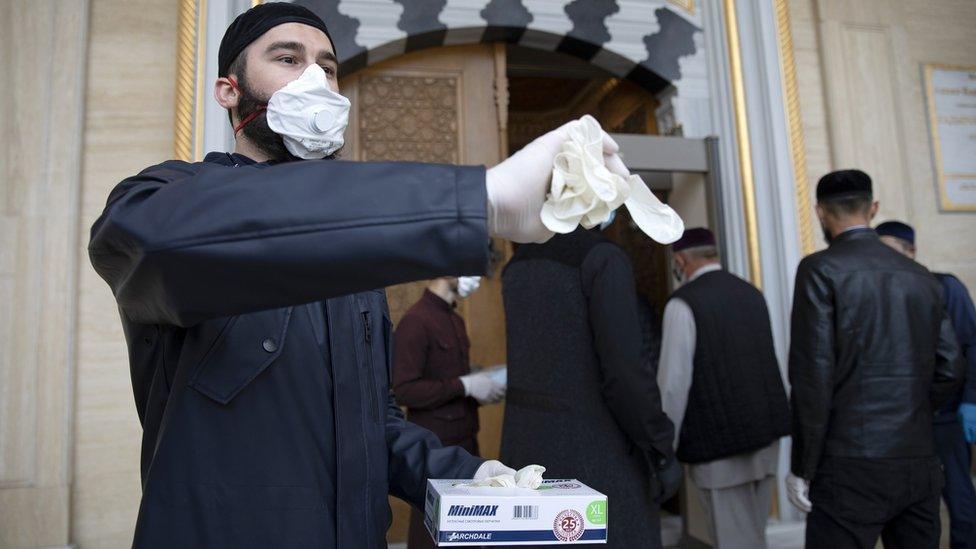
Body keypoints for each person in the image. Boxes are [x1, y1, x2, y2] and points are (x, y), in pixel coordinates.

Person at [86, 4, 625, 546]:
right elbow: (165, 246)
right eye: (287, 59)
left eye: (328, 65)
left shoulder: (353, 257)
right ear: (229, 91)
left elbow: (371, 425)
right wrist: (477, 200)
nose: (315, 78)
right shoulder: (159, 199)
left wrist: (469, 477)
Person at [786, 170, 963, 549]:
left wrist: (802, 466)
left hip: (848, 463)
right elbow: (950, 366)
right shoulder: (920, 276)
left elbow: (812, 379)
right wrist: (911, 412)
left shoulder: (819, 269)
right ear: (874, 208)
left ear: (820, 212)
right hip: (918, 459)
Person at [499, 227, 681, 549]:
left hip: (527, 454)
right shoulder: (601, 259)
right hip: (598, 457)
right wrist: (660, 447)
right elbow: (624, 374)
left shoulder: (517, 265)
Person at [657, 227, 790, 549]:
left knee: (733, 540)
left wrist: (663, 446)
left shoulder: (683, 303)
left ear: (679, 260)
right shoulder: (750, 292)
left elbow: (673, 386)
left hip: (717, 448)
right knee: (753, 536)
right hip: (765, 438)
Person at [876, 220, 976, 549]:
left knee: (960, 498)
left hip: (946, 416)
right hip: (902, 423)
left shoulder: (945, 286)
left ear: (912, 251)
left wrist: (971, 401)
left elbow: (972, 345)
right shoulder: (878, 293)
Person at [392, 275, 504, 549]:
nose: (476, 277)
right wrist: (465, 385)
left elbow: (450, 384)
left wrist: (480, 389)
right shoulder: (416, 321)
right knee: (429, 533)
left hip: (466, 441)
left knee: (463, 534)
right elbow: (404, 390)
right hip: (434, 448)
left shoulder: (454, 319)